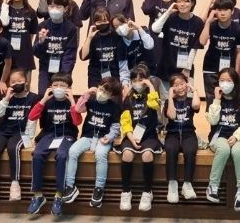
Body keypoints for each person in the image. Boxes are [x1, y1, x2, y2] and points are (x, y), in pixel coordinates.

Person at [26, 72, 81, 216]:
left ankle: (59, 195)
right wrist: (44, 99)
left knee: (62, 155)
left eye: (63, 86)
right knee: (37, 154)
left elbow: (77, 122)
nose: (58, 88)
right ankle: (38, 195)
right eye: (55, 85)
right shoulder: (46, 101)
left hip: (67, 135)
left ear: (69, 88)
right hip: (48, 134)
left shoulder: (72, 102)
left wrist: (72, 102)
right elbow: (31, 117)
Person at [63, 77, 122, 208]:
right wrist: (87, 93)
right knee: (72, 151)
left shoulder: (114, 107)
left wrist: (109, 137)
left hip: (103, 138)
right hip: (87, 136)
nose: (101, 93)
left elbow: (115, 127)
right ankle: (70, 186)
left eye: (106, 92)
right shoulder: (91, 101)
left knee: (100, 155)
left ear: (111, 95)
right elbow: (78, 109)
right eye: (100, 89)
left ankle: (99, 188)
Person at [0, 69, 38, 200]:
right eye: (13, 82)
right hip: (3, 131)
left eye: (19, 81)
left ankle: (15, 184)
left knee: (13, 148)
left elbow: (33, 119)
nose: (16, 84)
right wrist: (6, 99)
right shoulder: (4, 96)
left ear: (26, 82)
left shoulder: (33, 98)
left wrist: (29, 137)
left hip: (21, 133)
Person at [205, 68, 240, 212]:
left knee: (238, 152)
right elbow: (213, 121)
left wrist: (237, 136)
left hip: (239, 137)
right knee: (224, 149)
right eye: (222, 80)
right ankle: (213, 185)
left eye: (228, 80)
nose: (224, 83)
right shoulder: (213, 99)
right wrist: (217, 100)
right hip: (219, 136)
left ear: (235, 83)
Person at [116, 64, 162, 212]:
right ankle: (126, 192)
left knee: (147, 154)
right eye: (134, 80)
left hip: (149, 136)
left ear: (146, 80)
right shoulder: (128, 100)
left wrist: (151, 86)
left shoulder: (150, 96)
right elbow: (125, 122)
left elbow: (155, 105)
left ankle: (147, 192)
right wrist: (131, 138)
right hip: (132, 136)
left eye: (141, 80)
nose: (137, 83)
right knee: (127, 154)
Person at [152, 0, 204, 101]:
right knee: (166, 101)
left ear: (192, 2)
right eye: (179, 1)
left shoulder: (198, 22)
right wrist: (168, 11)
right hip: (166, 67)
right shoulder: (170, 18)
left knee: (187, 102)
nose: (182, 4)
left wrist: (187, 68)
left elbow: (194, 47)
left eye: (186, 1)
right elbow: (155, 29)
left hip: (185, 69)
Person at [199, 0, 240, 107]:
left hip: (229, 69)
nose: (222, 13)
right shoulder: (212, 25)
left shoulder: (239, 29)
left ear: (232, 11)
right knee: (211, 99)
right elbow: (202, 41)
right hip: (211, 68)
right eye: (219, 10)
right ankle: (212, 118)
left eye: (226, 10)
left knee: (229, 100)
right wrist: (208, 21)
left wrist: (237, 72)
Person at [163, 73, 200, 203]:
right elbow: (172, 116)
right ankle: (172, 185)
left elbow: (196, 106)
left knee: (190, 151)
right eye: (176, 85)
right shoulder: (169, 102)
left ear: (187, 84)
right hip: (172, 134)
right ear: (172, 88)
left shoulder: (190, 101)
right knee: (171, 149)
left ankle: (187, 184)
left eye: (182, 83)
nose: (180, 87)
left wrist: (194, 90)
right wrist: (170, 97)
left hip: (188, 133)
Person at [33, 0, 79, 95]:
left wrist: (63, 75)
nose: (54, 10)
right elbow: (36, 53)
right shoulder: (42, 26)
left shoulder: (71, 28)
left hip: (63, 69)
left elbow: (70, 54)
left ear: (65, 9)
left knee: (61, 95)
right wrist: (40, 42)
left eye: (58, 7)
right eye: (51, 6)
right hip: (45, 68)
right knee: (43, 94)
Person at [80, 7, 129, 88]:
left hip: (114, 78)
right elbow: (83, 56)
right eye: (99, 22)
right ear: (94, 23)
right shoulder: (93, 38)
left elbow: (122, 60)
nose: (102, 23)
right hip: (96, 79)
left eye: (105, 21)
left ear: (109, 21)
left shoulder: (117, 36)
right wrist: (89, 37)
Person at [141, 0, 176, 74]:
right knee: (154, 71)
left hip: (170, 40)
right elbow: (147, 9)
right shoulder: (154, 1)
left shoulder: (175, 3)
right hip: (154, 40)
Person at [110, 14, 155, 94]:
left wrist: (138, 28)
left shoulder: (143, 31)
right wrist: (125, 86)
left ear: (128, 21)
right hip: (135, 80)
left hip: (151, 75)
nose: (119, 28)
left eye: (121, 24)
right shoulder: (120, 46)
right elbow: (123, 70)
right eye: (116, 27)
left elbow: (150, 45)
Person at [3, 0, 38, 77]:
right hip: (8, 54)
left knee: (25, 84)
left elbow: (31, 34)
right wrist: (4, 4)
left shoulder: (31, 12)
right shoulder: (5, 10)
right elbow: (1, 24)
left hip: (25, 54)